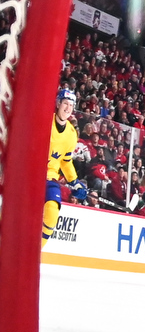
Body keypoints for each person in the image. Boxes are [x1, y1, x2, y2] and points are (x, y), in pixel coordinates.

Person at [44, 86, 81, 246]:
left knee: (52, 212)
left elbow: (65, 161)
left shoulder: (71, 134)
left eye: (71, 105)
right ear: (58, 103)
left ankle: (36, 252)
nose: (68, 108)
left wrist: (75, 182)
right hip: (29, 173)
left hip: (50, 176)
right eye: (65, 103)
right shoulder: (45, 120)